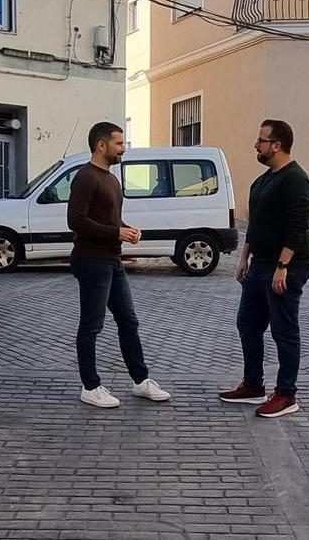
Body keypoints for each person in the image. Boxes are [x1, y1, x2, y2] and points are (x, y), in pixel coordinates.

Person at [68, 121, 171, 408]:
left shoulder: (111, 179)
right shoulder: (86, 177)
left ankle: (141, 381)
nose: (123, 149)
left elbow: (109, 221)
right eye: (119, 143)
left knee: (128, 321)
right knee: (91, 326)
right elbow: (75, 221)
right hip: (91, 261)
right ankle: (90, 386)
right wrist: (116, 232)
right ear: (101, 145)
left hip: (112, 261)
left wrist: (126, 230)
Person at [219, 119, 309, 418]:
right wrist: (244, 257)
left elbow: (298, 226)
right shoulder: (262, 181)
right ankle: (253, 385)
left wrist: (283, 266)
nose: (256, 145)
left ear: (277, 145)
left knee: (284, 331)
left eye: (261, 141)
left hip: (287, 267)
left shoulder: (295, 179)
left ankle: (286, 394)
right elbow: (256, 225)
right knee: (247, 325)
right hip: (259, 265)